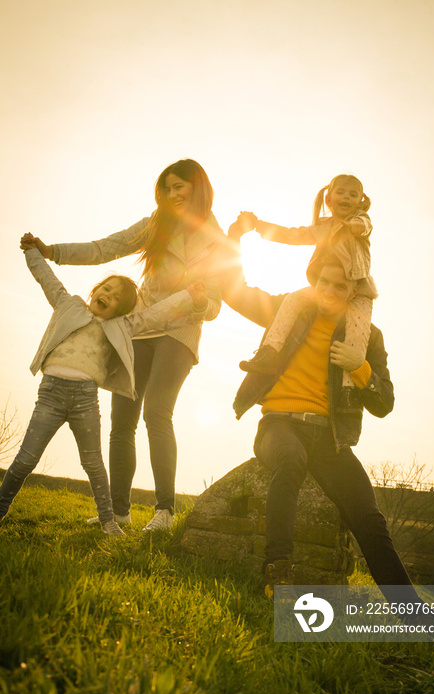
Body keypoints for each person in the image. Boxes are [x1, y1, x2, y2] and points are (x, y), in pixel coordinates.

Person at [223, 229, 434, 620]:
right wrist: (233, 239)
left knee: (370, 518)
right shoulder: (286, 310)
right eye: (324, 281)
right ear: (313, 279)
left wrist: (360, 367)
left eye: (341, 285)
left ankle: (413, 613)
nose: (330, 290)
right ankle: (278, 574)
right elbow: (234, 289)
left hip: (330, 439)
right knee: (289, 462)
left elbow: (384, 403)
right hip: (278, 425)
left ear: (354, 290)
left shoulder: (368, 337)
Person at [20, 159, 226, 531]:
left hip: (179, 331)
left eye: (180, 186)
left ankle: (164, 511)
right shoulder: (155, 224)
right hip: (141, 326)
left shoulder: (218, 241)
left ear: (199, 188)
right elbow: (106, 248)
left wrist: (197, 301)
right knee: (121, 423)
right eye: (167, 188)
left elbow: (214, 307)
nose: (173, 194)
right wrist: (54, 252)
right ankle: (118, 511)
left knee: (157, 414)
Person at [0, 238, 205, 535]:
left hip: (85, 400)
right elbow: (47, 280)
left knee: (94, 465)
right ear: (94, 291)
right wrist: (34, 252)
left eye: (116, 296)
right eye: (105, 289)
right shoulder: (68, 304)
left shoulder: (121, 327)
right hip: (50, 395)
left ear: (122, 310)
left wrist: (187, 294)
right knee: (25, 459)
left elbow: (155, 315)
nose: (108, 294)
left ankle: (111, 521)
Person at [234, 174, 377, 408]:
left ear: (361, 201)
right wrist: (259, 226)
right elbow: (294, 235)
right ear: (328, 200)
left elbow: (364, 226)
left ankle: (347, 390)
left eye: (353, 194)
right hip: (324, 287)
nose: (347, 198)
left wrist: (351, 225)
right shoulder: (324, 227)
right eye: (341, 192)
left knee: (356, 336)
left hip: (358, 291)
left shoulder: (361, 220)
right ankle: (269, 352)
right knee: (291, 302)